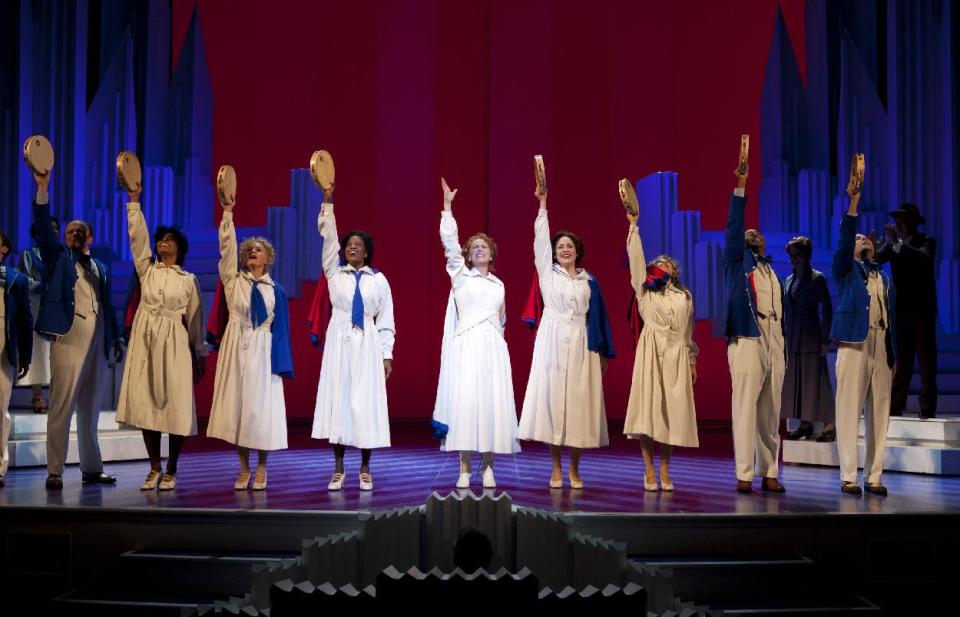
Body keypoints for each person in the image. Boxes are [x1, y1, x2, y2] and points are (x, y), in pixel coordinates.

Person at [518, 184, 615, 490]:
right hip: (553, 337)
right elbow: (540, 242)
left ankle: (575, 469)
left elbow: (597, 318)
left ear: (577, 251)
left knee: (577, 405)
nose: (564, 249)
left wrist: (600, 351)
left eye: (569, 246)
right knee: (553, 403)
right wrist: (543, 205)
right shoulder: (548, 273)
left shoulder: (590, 280)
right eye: (560, 246)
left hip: (581, 341)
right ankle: (556, 468)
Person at [32, 171, 123, 490]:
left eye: (79, 231)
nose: (74, 234)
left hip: (97, 343)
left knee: (90, 408)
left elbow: (108, 306)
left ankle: (91, 467)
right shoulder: (57, 260)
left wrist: (117, 337)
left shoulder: (102, 268)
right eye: (70, 231)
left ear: (90, 238)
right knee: (62, 405)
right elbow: (44, 231)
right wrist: (43, 188)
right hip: (69, 338)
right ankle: (54, 469)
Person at [115, 183, 207, 491]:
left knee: (176, 404)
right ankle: (153, 467)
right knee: (147, 404)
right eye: (160, 240)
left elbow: (194, 320)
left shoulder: (188, 280)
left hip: (176, 343)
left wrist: (200, 353)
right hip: (147, 340)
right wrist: (134, 201)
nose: (162, 243)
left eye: (169, 240)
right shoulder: (147, 271)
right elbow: (136, 238)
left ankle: (172, 468)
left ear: (178, 248)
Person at [433, 178, 519, 489]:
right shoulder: (460, 277)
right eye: (475, 248)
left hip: (493, 348)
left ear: (492, 254)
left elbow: (502, 320)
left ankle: (489, 467)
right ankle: (465, 467)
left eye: (484, 247)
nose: (479, 250)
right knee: (467, 405)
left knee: (491, 405)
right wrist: (447, 209)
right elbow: (450, 246)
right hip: (467, 346)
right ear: (468, 256)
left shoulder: (499, 285)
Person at [206, 197, 293, 490]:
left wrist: (282, 364)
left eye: (259, 250)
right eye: (250, 251)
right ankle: (243, 468)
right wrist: (228, 214)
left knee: (261, 409)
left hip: (262, 348)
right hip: (236, 342)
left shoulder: (275, 290)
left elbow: (281, 330)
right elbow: (226, 248)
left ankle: (263, 467)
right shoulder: (233, 280)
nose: (253, 253)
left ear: (267, 258)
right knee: (240, 408)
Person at [312, 184, 395, 492]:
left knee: (365, 403)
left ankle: (364, 467)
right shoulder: (335, 273)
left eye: (359, 244)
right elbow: (329, 238)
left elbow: (386, 320)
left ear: (367, 250)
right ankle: (337, 468)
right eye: (349, 243)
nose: (352, 247)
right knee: (340, 400)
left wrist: (387, 354)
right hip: (340, 337)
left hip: (369, 341)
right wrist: (328, 201)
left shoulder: (379, 280)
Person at [723, 154, 786, 494]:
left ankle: (770, 470)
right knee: (745, 405)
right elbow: (735, 228)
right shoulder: (736, 262)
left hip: (774, 336)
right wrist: (741, 185)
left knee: (770, 407)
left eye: (757, 233)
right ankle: (745, 472)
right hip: (747, 334)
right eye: (749, 233)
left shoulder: (771, 271)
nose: (753, 234)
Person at [622, 210, 698, 491]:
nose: (664, 266)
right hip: (651, 350)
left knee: (673, 413)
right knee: (648, 412)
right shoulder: (644, 290)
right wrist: (634, 227)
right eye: (660, 263)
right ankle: (649, 470)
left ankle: (665, 469)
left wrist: (692, 361)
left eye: (669, 264)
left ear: (675, 271)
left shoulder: (684, 296)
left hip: (677, 352)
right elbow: (636, 260)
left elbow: (689, 332)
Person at [831, 174, 894, 496]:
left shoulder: (881, 275)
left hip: (880, 344)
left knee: (879, 411)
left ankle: (874, 476)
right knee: (848, 408)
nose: (862, 240)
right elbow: (843, 243)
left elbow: (890, 313)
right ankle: (848, 476)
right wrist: (853, 203)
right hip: (854, 343)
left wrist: (892, 353)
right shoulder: (844, 269)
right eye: (858, 239)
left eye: (865, 239)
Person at [876, 203, 937, 418]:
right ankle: (896, 404)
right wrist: (873, 247)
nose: (898, 223)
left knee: (926, 362)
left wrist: (898, 244)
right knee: (903, 360)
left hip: (922, 311)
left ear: (912, 222)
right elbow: (876, 260)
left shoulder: (926, 241)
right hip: (901, 310)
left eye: (902, 219)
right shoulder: (893, 244)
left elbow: (923, 260)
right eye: (897, 219)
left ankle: (927, 407)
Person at [781, 236, 835, 441]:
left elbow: (828, 310)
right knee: (798, 381)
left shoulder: (817, 278)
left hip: (811, 335)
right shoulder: (788, 280)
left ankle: (830, 422)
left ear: (807, 255)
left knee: (816, 380)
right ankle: (805, 423)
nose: (793, 259)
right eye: (791, 256)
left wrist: (824, 338)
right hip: (793, 337)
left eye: (797, 255)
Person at [16, 216, 59, 413]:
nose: (53, 231)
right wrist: (44, 287)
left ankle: (57, 398)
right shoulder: (28, 254)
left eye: (56, 228)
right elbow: (24, 280)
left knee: (57, 354)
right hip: (35, 306)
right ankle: (37, 396)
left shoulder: (62, 254)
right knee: (39, 353)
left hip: (57, 309)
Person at [0, 231, 34, 488]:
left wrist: (26, 355)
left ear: (4, 249)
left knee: (1, 409)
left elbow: (25, 320)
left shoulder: (17, 280)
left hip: (5, 347)